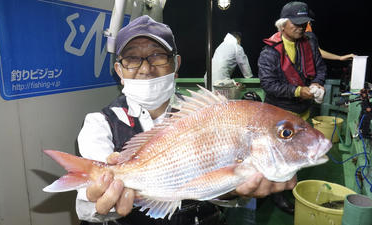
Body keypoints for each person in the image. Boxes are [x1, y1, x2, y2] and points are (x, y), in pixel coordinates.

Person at [76, 15, 296, 225]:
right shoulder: (99, 123)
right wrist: (101, 199)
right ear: (119, 71)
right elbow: (84, 208)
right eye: (132, 59)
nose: (145, 68)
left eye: (157, 56)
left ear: (176, 65)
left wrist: (232, 190)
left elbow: (224, 187)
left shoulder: (206, 114)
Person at [257, 1, 328, 214]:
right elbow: (268, 85)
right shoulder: (269, 52)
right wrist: (298, 91)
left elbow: (320, 68)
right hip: (279, 115)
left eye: (304, 23)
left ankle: (286, 188)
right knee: (280, 156)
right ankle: (278, 196)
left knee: (295, 155)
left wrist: (317, 83)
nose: (301, 27)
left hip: (304, 112)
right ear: (282, 25)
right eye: (296, 23)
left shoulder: (310, 41)